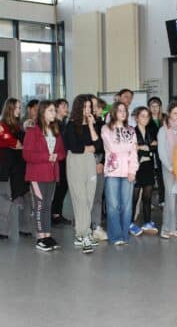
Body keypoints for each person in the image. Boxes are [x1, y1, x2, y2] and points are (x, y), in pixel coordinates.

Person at [23, 101, 66, 251]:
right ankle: (40, 237)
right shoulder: (32, 131)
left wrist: (56, 156)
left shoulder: (55, 131)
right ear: (42, 113)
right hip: (37, 175)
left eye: (54, 111)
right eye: (51, 111)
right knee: (40, 206)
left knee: (48, 205)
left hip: (52, 174)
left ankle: (47, 235)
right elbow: (27, 155)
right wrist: (46, 157)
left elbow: (62, 152)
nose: (54, 113)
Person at [63, 94, 101, 253]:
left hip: (90, 163)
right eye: (85, 107)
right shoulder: (71, 125)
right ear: (79, 108)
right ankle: (84, 233)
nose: (88, 110)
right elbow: (73, 147)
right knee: (80, 199)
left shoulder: (93, 124)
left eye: (89, 107)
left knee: (90, 198)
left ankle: (81, 233)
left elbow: (98, 145)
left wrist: (92, 126)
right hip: (76, 163)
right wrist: (89, 147)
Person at [102, 101, 139, 246]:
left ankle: (124, 235)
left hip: (128, 173)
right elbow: (113, 147)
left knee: (127, 206)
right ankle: (115, 236)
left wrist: (132, 171)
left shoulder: (131, 130)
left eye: (125, 111)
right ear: (113, 113)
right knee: (113, 205)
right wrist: (129, 146)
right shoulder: (106, 129)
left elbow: (134, 153)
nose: (123, 113)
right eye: (119, 110)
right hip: (112, 172)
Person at [0, 98, 31, 239]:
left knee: (26, 200)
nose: (19, 110)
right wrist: (19, 144)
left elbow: (25, 143)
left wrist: (21, 143)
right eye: (17, 107)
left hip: (22, 168)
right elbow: (12, 142)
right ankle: (3, 231)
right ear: (10, 108)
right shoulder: (2, 124)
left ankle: (25, 228)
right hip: (8, 169)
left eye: (19, 107)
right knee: (6, 200)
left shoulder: (20, 125)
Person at [157, 103, 177, 239]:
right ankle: (166, 228)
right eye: (175, 113)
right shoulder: (163, 130)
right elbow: (161, 152)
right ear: (169, 113)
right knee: (170, 197)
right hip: (168, 168)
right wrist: (170, 167)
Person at [131, 106, 158, 235]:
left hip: (148, 166)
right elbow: (133, 149)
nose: (145, 118)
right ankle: (129, 223)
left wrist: (142, 147)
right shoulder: (132, 132)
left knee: (147, 197)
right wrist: (147, 147)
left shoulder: (151, 131)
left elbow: (154, 148)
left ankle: (147, 222)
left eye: (147, 116)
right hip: (136, 167)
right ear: (136, 118)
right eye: (142, 116)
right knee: (134, 198)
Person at [90, 95, 108, 241]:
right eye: (93, 105)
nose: (96, 109)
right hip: (84, 163)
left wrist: (101, 162)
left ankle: (96, 225)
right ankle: (83, 226)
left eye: (97, 106)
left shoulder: (102, 125)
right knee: (84, 198)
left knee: (97, 197)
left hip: (99, 161)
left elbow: (105, 146)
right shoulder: (79, 124)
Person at [51, 98, 71, 225]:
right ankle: (54, 214)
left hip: (65, 158)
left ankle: (56, 213)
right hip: (57, 159)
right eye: (64, 106)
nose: (66, 109)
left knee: (63, 187)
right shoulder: (54, 124)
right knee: (59, 187)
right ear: (57, 108)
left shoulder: (64, 123)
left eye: (66, 107)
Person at [147, 96, 165, 208]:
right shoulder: (147, 121)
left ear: (160, 108)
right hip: (150, 152)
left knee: (161, 176)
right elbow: (149, 140)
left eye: (156, 106)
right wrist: (156, 142)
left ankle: (162, 199)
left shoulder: (164, 120)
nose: (154, 108)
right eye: (152, 106)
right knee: (150, 178)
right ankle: (148, 202)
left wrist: (158, 142)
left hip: (162, 153)